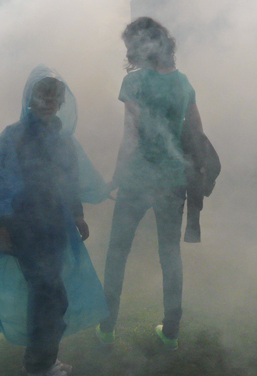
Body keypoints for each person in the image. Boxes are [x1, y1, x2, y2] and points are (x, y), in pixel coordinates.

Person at [0, 65, 109, 376]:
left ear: (61, 102)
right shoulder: (12, 136)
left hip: (54, 229)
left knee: (48, 296)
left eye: (54, 95)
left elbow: (69, 181)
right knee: (50, 295)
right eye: (42, 94)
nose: (48, 100)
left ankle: (43, 360)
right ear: (29, 98)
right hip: (23, 229)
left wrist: (78, 214)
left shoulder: (63, 140)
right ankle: (38, 366)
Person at [97, 17, 203, 350]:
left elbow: (131, 136)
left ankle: (106, 328)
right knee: (170, 255)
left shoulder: (135, 82)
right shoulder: (184, 83)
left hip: (137, 180)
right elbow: (196, 134)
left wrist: (114, 177)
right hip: (174, 180)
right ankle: (171, 332)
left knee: (117, 253)